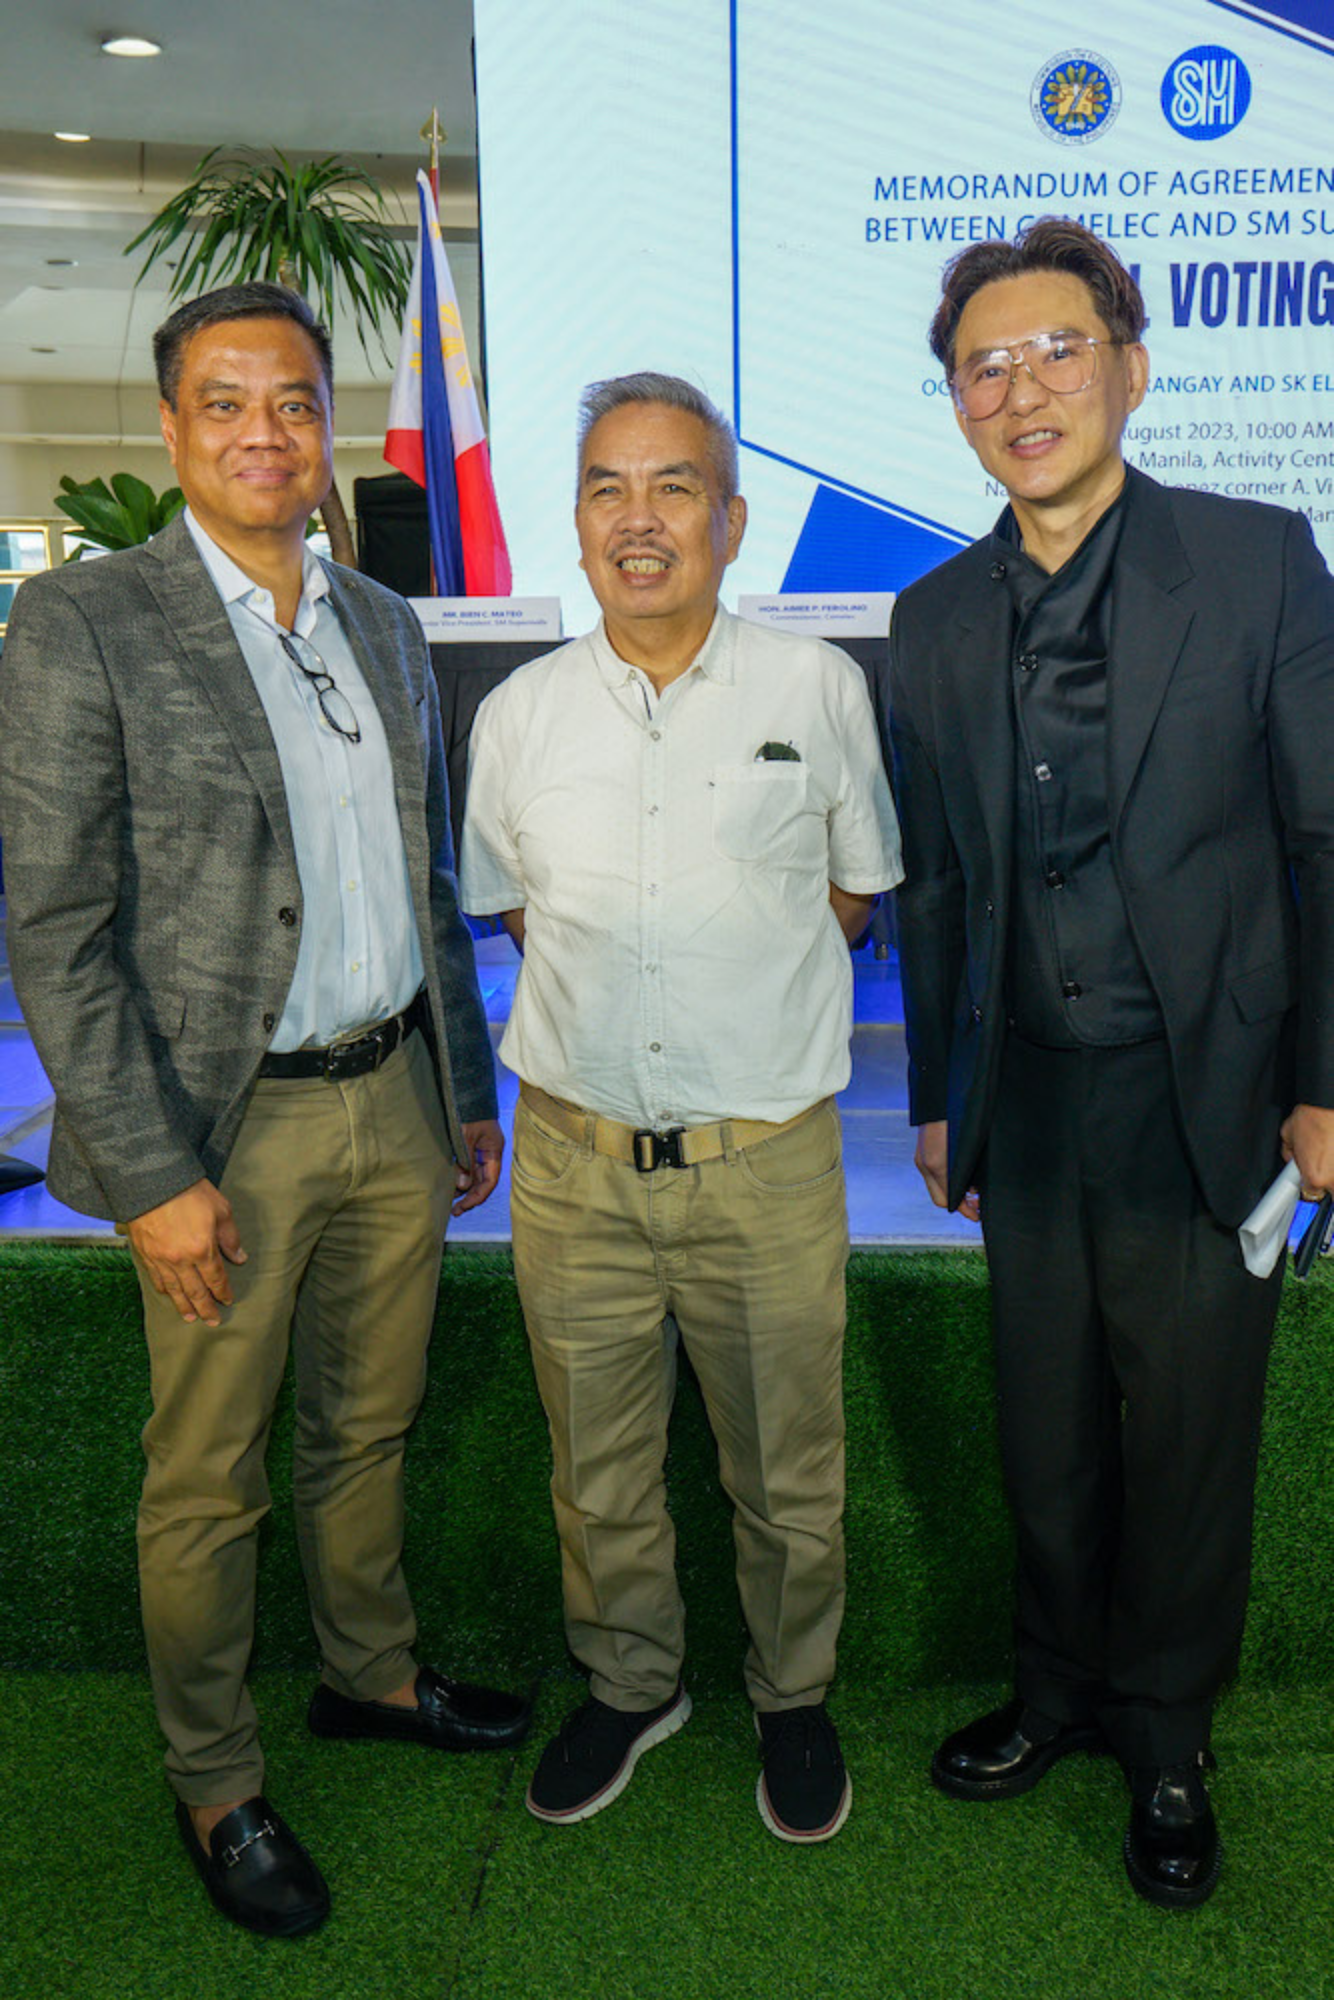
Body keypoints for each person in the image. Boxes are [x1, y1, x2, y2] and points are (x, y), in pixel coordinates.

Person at [0, 282, 530, 1939]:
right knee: (209, 1475)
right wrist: (154, 1175)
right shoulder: (85, 627)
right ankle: (215, 1779)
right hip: (217, 1130)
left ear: (326, 426)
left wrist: (459, 1084)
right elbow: (57, 927)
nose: (263, 432)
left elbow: (422, 876)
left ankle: (366, 1679)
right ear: (169, 428)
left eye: (293, 402)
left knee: (364, 1427)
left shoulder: (379, 620)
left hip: (392, 1096)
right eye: (224, 402)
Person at [884, 218, 1334, 1907]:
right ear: (955, 405)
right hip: (1033, 1103)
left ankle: (1167, 1736)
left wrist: (1327, 1082)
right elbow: (933, 875)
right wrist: (937, 1093)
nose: (1024, 389)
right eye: (984, 366)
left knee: (1191, 1434)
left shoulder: (1253, 560)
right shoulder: (928, 616)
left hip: (1209, 1094)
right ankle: (1057, 1691)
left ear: (1128, 368)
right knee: (1046, 1421)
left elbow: (1325, 836)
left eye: (1058, 351)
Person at [460, 372, 901, 1842]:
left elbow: (847, 898)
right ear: (574, 520)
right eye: (604, 487)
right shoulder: (516, 716)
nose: (635, 519)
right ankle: (632, 1680)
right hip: (573, 1169)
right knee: (596, 1469)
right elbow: (522, 917)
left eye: (669, 488)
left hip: (764, 1164)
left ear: (730, 517)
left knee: (786, 1472)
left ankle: (793, 1698)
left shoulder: (815, 688)